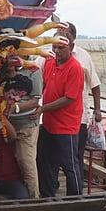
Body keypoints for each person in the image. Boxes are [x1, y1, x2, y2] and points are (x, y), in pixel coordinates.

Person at [35, 35, 85, 197]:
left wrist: (43, 108)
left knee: (69, 164)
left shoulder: (75, 68)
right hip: (49, 123)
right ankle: (47, 195)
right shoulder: (49, 62)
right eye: (54, 47)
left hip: (66, 126)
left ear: (71, 47)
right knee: (44, 160)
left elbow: (69, 98)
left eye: (61, 48)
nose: (57, 51)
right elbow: (43, 84)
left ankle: (76, 197)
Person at [66, 23, 102, 180]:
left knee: (77, 155)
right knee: (55, 155)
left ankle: (76, 189)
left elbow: (95, 84)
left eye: (65, 34)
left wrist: (98, 109)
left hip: (79, 116)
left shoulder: (83, 56)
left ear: (73, 38)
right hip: (55, 117)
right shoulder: (50, 55)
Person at [4, 59, 42, 197]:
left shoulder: (34, 70)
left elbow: (34, 101)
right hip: (5, 125)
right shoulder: (3, 68)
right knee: (9, 163)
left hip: (27, 126)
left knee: (27, 164)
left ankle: (34, 200)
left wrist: (14, 108)